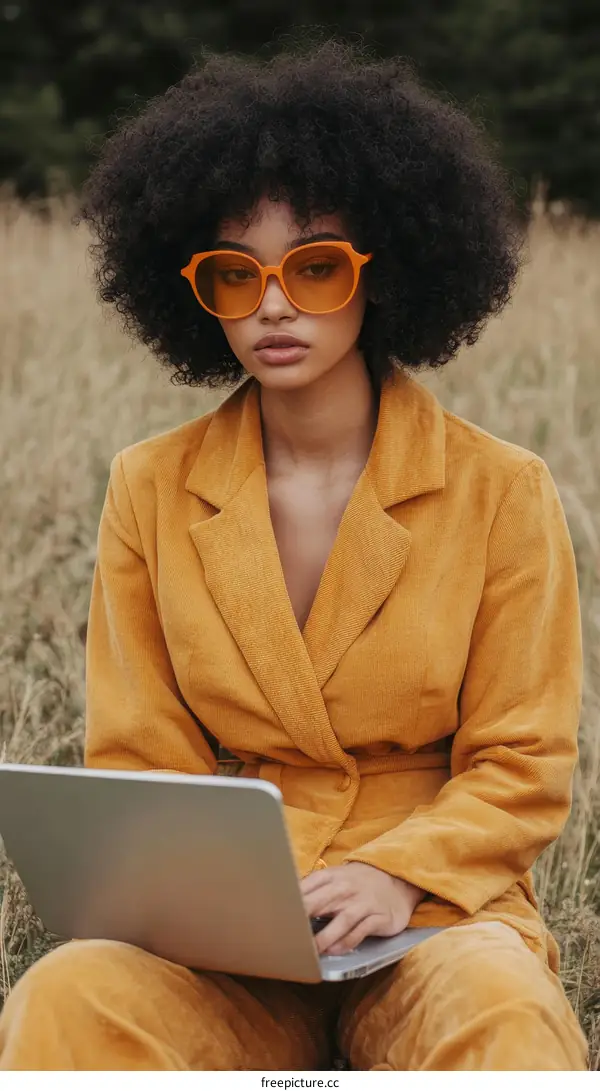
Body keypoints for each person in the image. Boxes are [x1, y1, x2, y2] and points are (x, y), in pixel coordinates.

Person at [0, 35, 588, 1071]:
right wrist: (219, 901)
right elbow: (140, 757)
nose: (273, 303)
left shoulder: (504, 489)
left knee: (501, 1010)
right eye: (237, 273)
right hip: (227, 934)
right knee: (68, 995)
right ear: (197, 290)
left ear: (387, 269)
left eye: (315, 266)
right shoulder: (148, 485)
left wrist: (397, 873)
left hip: (438, 918)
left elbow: (523, 761)